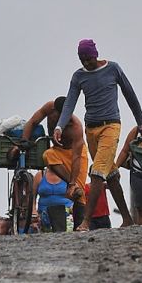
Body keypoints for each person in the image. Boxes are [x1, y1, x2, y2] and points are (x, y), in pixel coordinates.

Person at [54, 39, 142, 231]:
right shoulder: (78, 76)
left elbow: (130, 96)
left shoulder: (113, 69)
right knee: (111, 174)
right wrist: (59, 126)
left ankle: (86, 221)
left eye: (88, 58)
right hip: (91, 128)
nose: (86, 63)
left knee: (97, 171)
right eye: (82, 59)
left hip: (111, 126)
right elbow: (69, 103)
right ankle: (127, 219)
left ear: (95, 55)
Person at [15, 96, 88, 229]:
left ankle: (80, 225)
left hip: (76, 154)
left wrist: (72, 183)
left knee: (78, 192)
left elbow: (77, 157)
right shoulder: (49, 108)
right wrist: (24, 140)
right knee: (47, 154)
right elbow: (32, 122)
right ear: (55, 110)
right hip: (57, 151)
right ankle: (71, 183)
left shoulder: (76, 126)